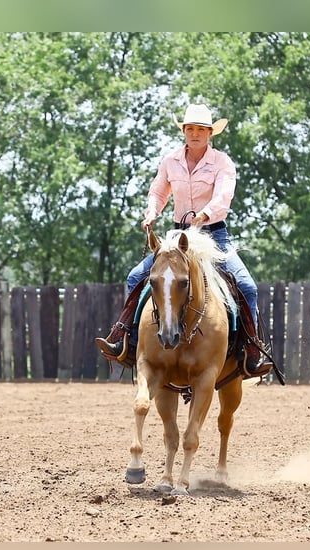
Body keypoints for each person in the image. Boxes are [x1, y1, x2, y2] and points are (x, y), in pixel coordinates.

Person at [95, 103, 272, 377]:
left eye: (200, 129)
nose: (195, 134)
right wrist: (152, 213)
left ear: (210, 133)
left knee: (247, 286)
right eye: (190, 128)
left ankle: (251, 351)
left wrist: (205, 213)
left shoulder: (222, 163)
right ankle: (124, 340)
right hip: (178, 237)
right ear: (184, 131)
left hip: (214, 235)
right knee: (135, 277)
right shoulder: (170, 161)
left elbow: (224, 196)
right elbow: (158, 191)